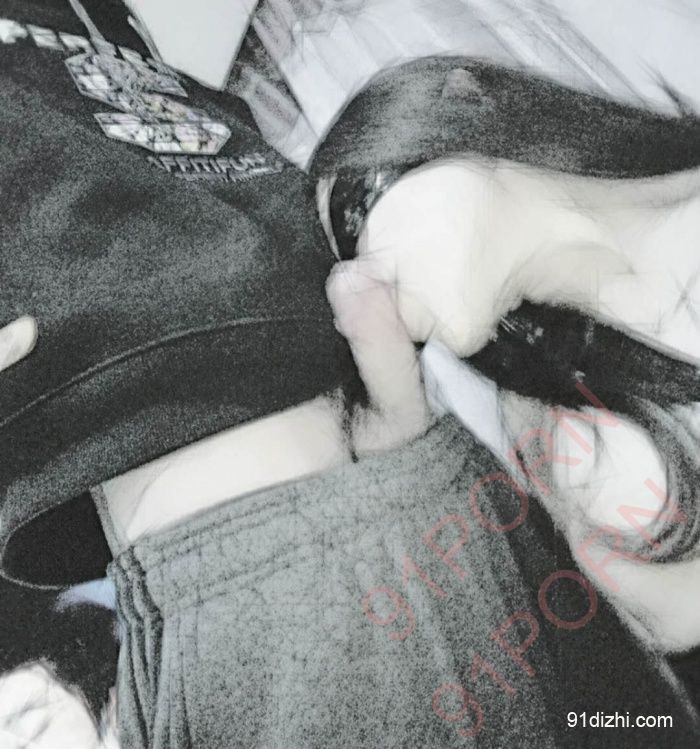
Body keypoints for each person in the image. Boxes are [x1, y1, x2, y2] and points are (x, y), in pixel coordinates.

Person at [2, 1, 700, 747]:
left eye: (360, 206)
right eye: (338, 248)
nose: (353, 275)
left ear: (460, 100)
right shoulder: (569, 431)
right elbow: (638, 684)